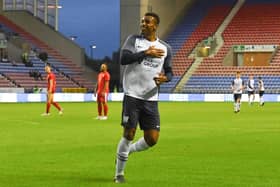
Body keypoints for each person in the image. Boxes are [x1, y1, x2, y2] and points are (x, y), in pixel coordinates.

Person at [114, 12, 173, 183]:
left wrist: (165, 78)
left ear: (155, 25)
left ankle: (127, 151)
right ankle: (119, 174)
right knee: (129, 133)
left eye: (147, 22)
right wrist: (145, 53)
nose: (143, 24)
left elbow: (169, 72)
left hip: (151, 98)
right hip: (132, 94)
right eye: (142, 22)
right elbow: (124, 58)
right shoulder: (133, 40)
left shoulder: (165, 48)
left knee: (152, 139)